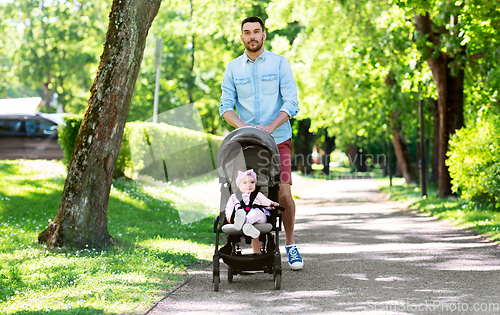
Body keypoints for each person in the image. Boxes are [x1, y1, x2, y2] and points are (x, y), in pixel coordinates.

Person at [219, 16, 303, 270]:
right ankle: (250, 247)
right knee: (244, 191)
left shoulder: (279, 64)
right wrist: (243, 127)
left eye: (257, 31)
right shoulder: (233, 68)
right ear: (242, 36)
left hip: (278, 139)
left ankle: (290, 245)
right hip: (245, 143)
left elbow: (291, 103)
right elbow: (225, 107)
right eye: (247, 32)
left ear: (264, 35)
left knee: (284, 192)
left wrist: (269, 127)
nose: (252, 36)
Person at [225, 169, 279, 254]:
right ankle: (246, 226)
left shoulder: (258, 195)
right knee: (239, 214)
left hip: (259, 218)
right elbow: (229, 208)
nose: (249, 185)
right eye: (245, 183)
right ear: (238, 185)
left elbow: (266, 203)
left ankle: (243, 222)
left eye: (252, 182)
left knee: (255, 212)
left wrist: (272, 204)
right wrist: (228, 217)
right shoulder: (234, 197)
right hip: (240, 216)